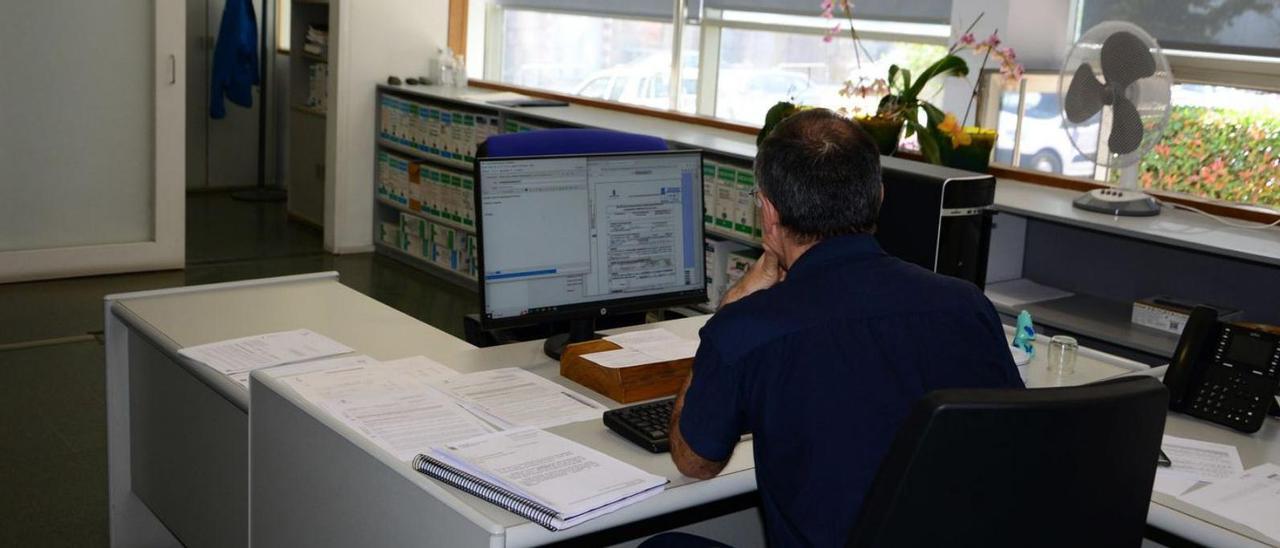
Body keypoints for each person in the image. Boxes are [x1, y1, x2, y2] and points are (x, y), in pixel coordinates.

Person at [665, 109, 1023, 546]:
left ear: (769, 213)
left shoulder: (748, 327)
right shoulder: (967, 306)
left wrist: (727, 313)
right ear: (880, 198)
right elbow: (1009, 447)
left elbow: (693, 460)